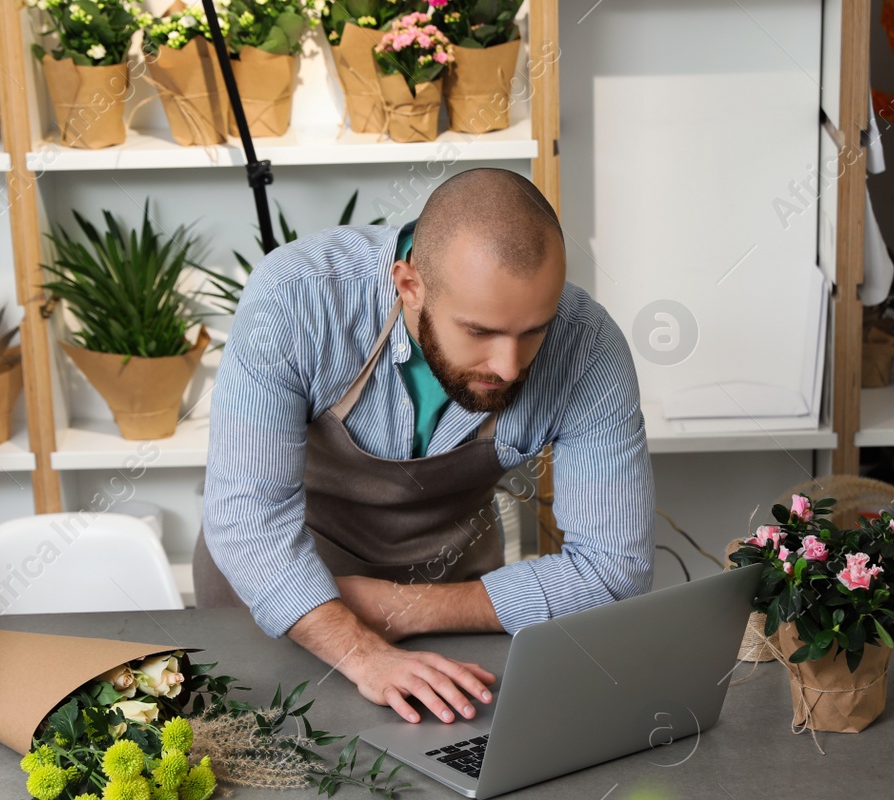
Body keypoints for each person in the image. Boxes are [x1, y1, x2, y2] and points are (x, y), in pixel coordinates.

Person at [196, 167, 655, 723]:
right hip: (276, 587)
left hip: (448, 599)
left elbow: (613, 570)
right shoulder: (297, 299)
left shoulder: (588, 348)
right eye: (480, 332)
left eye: (534, 330)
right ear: (409, 286)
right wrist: (359, 648)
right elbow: (249, 519)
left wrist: (401, 607)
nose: (510, 368)